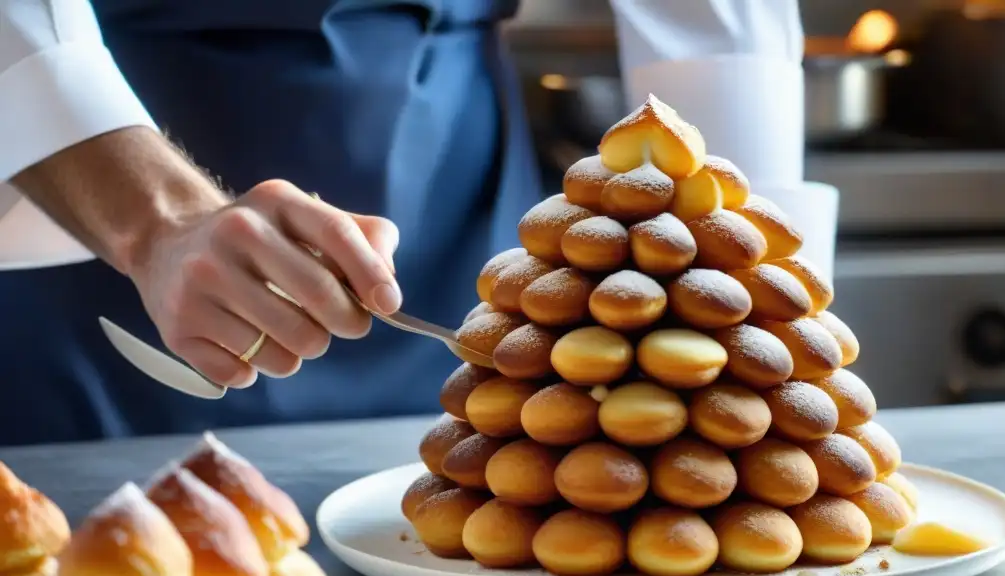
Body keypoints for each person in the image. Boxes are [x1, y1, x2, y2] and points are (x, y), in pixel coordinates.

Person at [0, 0, 800, 447]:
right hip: (88, 167)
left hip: (454, 178)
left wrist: (749, 306)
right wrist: (155, 220)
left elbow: (713, 21)